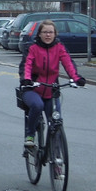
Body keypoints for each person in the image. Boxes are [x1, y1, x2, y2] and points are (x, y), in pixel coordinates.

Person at [20, 19, 85, 148]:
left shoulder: (59, 47)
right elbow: (27, 65)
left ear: (55, 34)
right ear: (39, 34)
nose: (48, 35)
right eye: (45, 32)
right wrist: (26, 79)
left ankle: (55, 154)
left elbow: (68, 63)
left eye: (51, 32)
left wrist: (76, 78)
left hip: (51, 91)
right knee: (37, 105)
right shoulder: (32, 48)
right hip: (32, 88)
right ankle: (30, 134)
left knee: (56, 121)